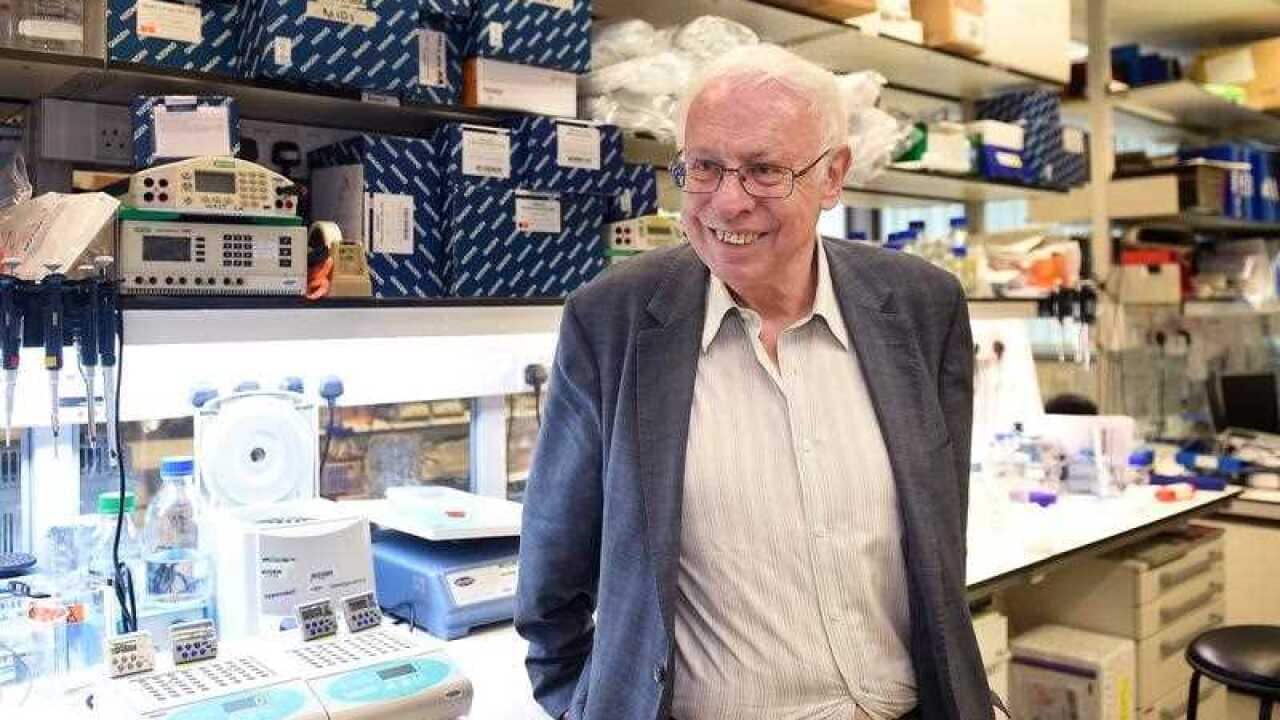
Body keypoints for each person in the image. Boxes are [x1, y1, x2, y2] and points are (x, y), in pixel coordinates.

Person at [515, 44, 1004, 720]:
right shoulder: (612, 321)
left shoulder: (922, 306)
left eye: (765, 170)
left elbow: (941, 542)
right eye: (705, 168)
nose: (728, 202)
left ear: (833, 176)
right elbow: (551, 579)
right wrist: (584, 706)